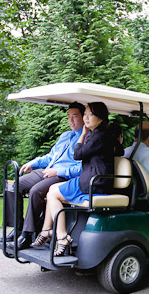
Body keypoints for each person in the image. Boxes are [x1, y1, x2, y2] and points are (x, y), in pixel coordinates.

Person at [35, 102, 124, 256]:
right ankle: (47, 231)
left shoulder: (98, 136)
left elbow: (77, 154)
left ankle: (60, 236)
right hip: (96, 179)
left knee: (52, 194)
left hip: (93, 182)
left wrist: (82, 135)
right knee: (52, 191)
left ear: (101, 118)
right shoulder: (106, 134)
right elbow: (120, 150)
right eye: (85, 114)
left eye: (90, 114)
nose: (86, 118)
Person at [4, 102, 84, 250]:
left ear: (84, 118)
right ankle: (18, 228)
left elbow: (82, 167)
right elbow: (51, 156)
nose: (71, 121)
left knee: (36, 191)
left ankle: (27, 235)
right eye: (69, 117)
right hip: (48, 170)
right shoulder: (65, 136)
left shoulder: (86, 138)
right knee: (14, 184)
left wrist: (57, 172)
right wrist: (33, 163)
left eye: (75, 116)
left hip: (63, 175)